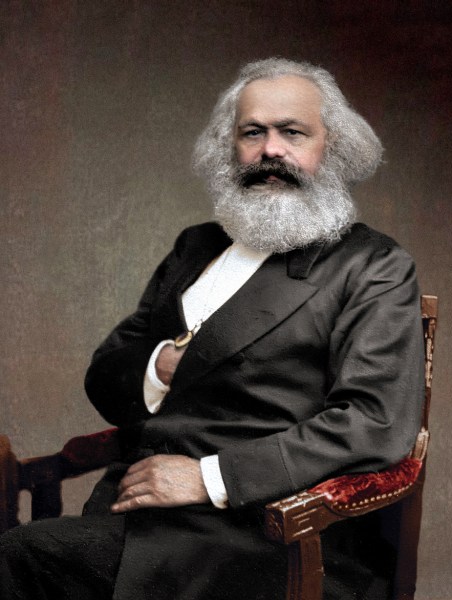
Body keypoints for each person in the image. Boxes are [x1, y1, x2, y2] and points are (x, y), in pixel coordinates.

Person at [0, 58, 425, 600]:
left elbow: (374, 422)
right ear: (231, 147)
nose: (271, 150)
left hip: (270, 530)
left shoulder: (372, 265)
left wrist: (209, 478)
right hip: (138, 511)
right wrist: (160, 366)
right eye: (253, 132)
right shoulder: (196, 246)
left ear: (333, 147)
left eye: (293, 132)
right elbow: (106, 376)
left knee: (19, 554)